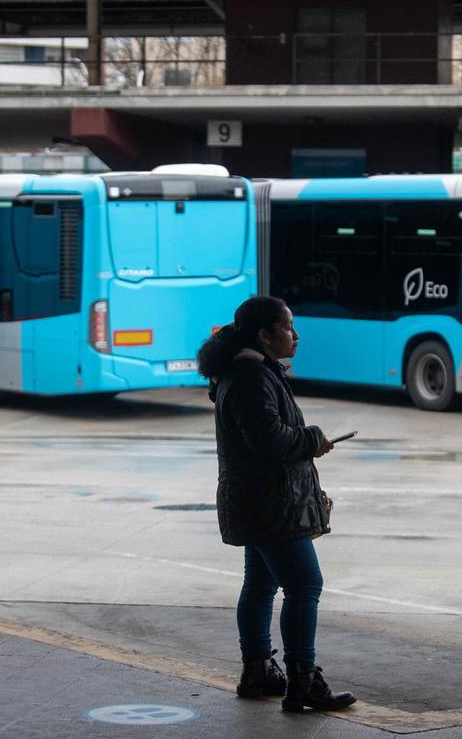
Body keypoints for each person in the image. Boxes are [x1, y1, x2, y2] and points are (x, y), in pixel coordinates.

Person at [196, 295, 357, 713]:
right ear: (264, 336)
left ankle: (259, 671)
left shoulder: (251, 370)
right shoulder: (250, 376)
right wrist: (312, 439)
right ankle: (302, 680)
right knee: (305, 584)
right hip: (270, 503)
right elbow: (268, 438)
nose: (296, 334)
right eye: (287, 327)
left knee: (262, 582)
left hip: (259, 500)